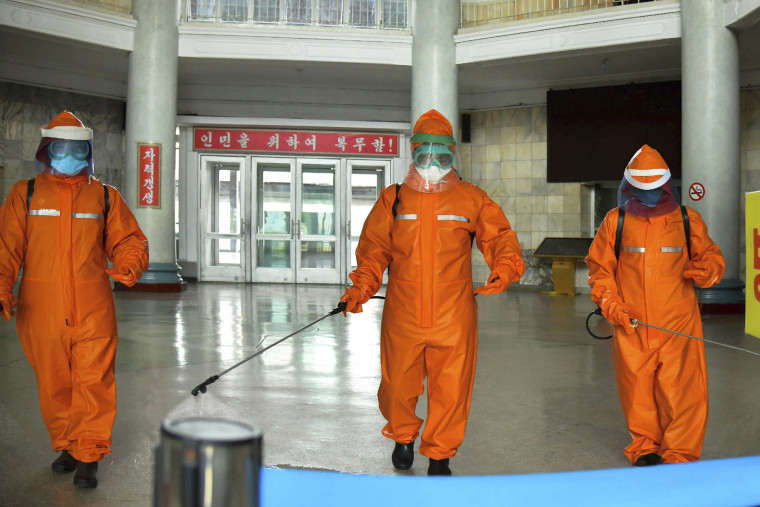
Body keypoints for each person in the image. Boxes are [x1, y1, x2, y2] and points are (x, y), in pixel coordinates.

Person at [340, 109, 525, 475]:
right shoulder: (393, 199)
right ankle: (403, 435)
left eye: (441, 154)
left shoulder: (471, 198)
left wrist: (504, 267)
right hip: (403, 312)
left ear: (452, 153)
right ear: (413, 153)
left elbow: (499, 237)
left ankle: (440, 454)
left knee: (451, 388)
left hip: (453, 314)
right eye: (425, 153)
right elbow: (375, 250)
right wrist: (361, 287)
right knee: (397, 385)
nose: (433, 162)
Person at [0, 110, 149, 489]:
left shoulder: (104, 196)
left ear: (88, 152)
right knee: (55, 383)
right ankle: (67, 444)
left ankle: (89, 454)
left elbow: (129, 239)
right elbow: (6, 247)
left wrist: (129, 264)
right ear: (48, 150)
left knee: (94, 379)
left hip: (92, 306)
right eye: (63, 149)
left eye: (78, 150)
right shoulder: (26, 193)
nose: (71, 157)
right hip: (40, 308)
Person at [585, 144, 724, 466]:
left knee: (683, 390)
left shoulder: (688, 220)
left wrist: (708, 270)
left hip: (679, 323)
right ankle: (645, 446)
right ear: (630, 188)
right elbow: (600, 270)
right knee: (637, 389)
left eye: (655, 190)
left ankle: (679, 453)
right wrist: (613, 306)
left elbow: (712, 257)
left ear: (666, 186)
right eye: (641, 190)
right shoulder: (615, 222)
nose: (649, 197)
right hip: (632, 322)